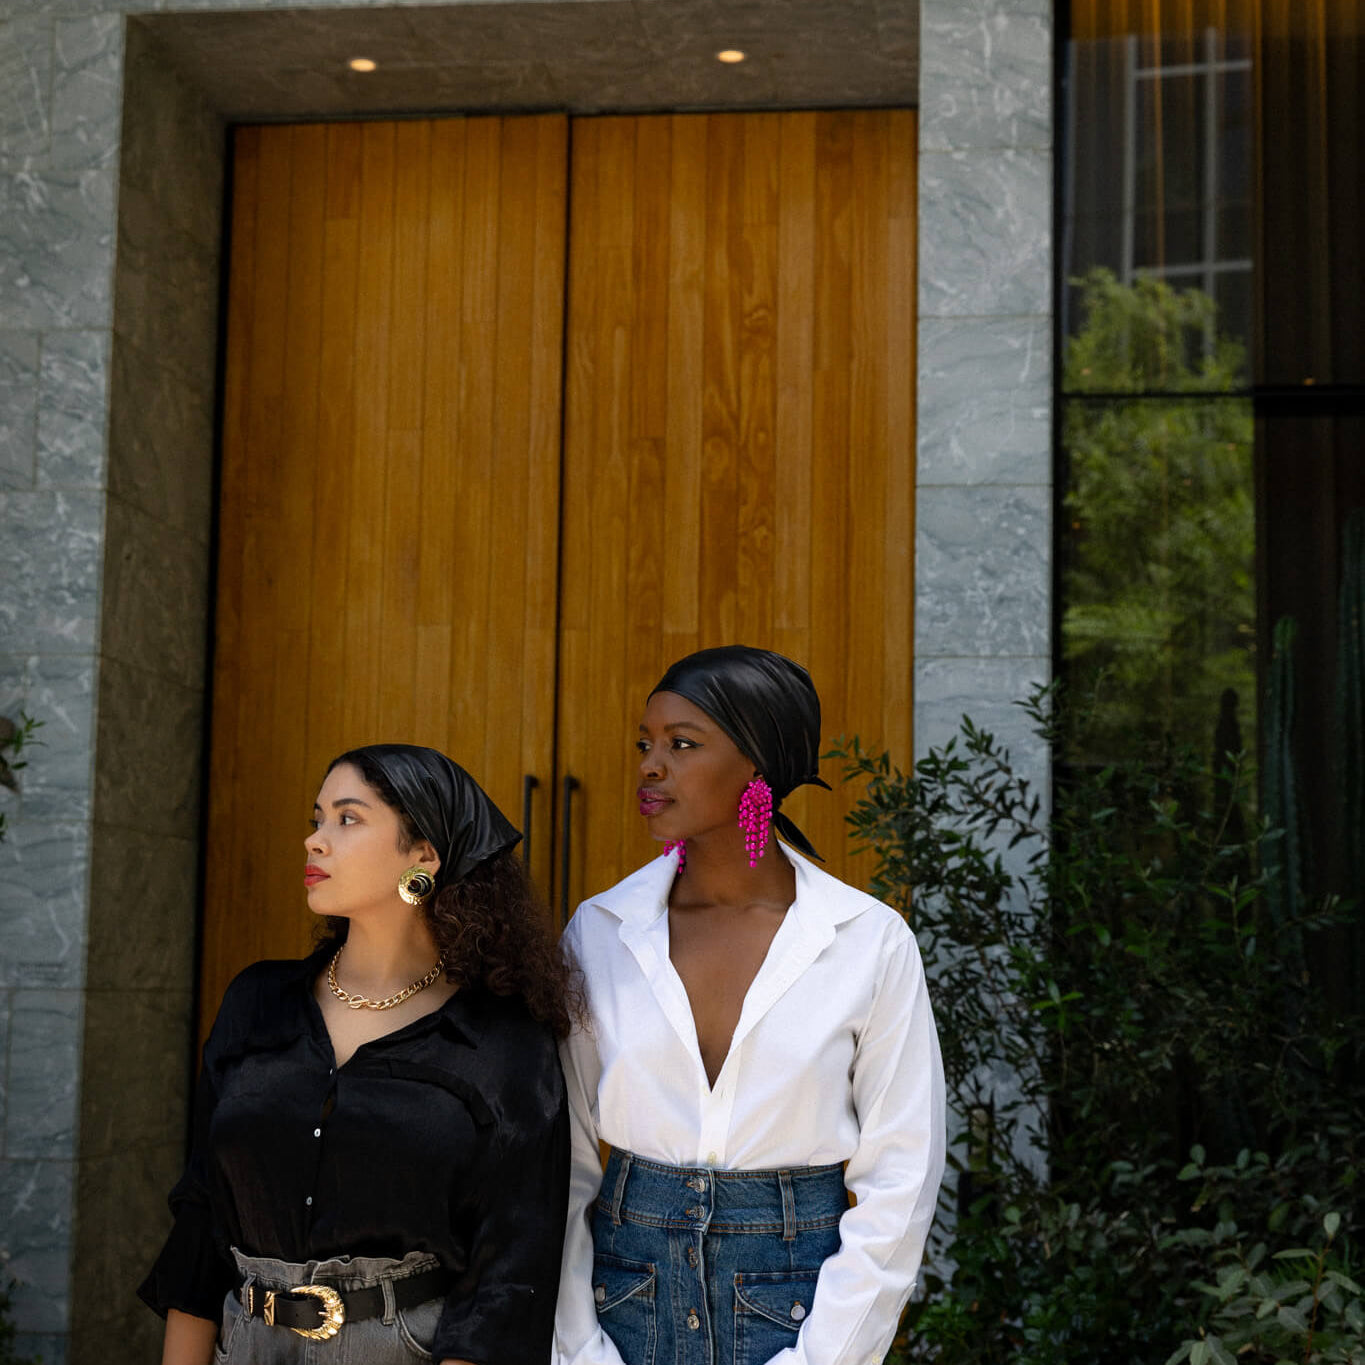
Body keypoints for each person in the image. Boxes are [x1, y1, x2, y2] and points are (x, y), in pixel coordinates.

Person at [554, 646, 946, 1365]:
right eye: (645, 743)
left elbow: (902, 1177)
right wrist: (579, 1348)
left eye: (681, 743)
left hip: (795, 1307)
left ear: (757, 763)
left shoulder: (867, 941)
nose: (648, 764)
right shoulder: (600, 931)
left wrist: (821, 1358)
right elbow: (562, 1160)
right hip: (622, 1302)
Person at [140, 743, 575, 1365]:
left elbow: (508, 1271)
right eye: (317, 819)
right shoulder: (258, 1002)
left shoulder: (498, 1037)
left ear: (423, 855)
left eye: (348, 819)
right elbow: (201, 1216)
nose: (316, 841)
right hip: (245, 1344)